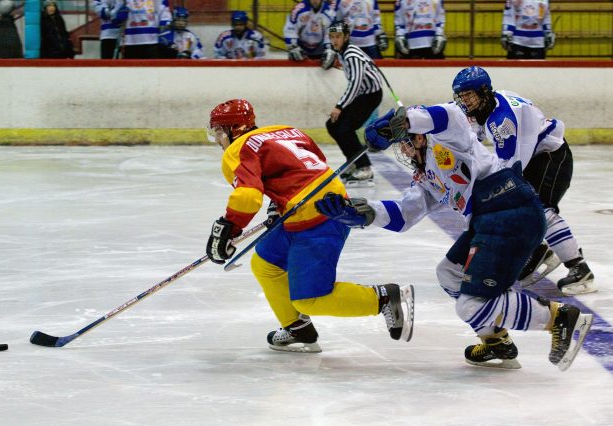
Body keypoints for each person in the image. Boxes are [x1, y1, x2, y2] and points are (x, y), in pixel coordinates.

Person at [316, 103, 593, 370]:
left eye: (406, 140)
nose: (403, 147)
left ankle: (559, 317)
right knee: (449, 273)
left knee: (470, 305)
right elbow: (404, 214)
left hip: (510, 211)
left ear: (421, 136)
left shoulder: (449, 139)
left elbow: (449, 115)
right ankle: (496, 341)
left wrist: (404, 120)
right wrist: (363, 213)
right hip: (488, 221)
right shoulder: (425, 176)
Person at [204, 98, 414, 353]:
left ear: (232, 129)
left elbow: (248, 196)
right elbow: (313, 162)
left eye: (218, 132)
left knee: (311, 300)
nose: (217, 139)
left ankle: (384, 297)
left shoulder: (237, 149)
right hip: (326, 203)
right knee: (265, 264)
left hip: (315, 219)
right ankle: (297, 329)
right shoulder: (285, 130)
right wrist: (278, 202)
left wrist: (228, 229)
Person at [451, 66, 596, 295]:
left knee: (540, 209)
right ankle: (538, 251)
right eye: (461, 96)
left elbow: (511, 168)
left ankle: (579, 267)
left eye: (469, 95)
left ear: (483, 91)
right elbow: (472, 138)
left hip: (550, 157)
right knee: (522, 206)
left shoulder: (502, 121)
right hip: (534, 156)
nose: (465, 101)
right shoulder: (488, 105)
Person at [326, 21, 383, 187]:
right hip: (362, 94)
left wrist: (339, 106)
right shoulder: (343, 53)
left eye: (338, 37)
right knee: (332, 125)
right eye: (332, 37)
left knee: (345, 129)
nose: (334, 40)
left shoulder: (351, 55)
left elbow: (355, 84)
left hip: (370, 95)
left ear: (346, 37)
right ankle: (353, 160)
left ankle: (364, 167)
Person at [283, 0, 335, 69]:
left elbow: (331, 32)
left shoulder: (329, 12)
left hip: (321, 53)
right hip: (300, 52)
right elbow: (290, 28)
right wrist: (293, 46)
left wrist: (330, 49)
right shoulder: (299, 10)